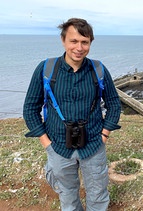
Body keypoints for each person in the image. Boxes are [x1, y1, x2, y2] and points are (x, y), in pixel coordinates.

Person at [23, 18, 121, 211]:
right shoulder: (46, 69)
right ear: (63, 41)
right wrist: (47, 145)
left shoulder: (98, 69)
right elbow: (30, 108)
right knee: (67, 197)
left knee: (98, 196)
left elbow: (114, 105)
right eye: (74, 41)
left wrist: (104, 135)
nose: (79, 47)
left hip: (94, 145)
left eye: (84, 42)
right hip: (58, 146)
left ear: (90, 43)